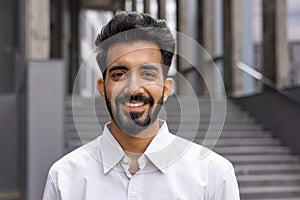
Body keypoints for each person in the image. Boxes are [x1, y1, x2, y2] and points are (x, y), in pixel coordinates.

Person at [43, 11, 240, 199]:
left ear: (166, 88)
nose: (134, 88)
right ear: (102, 88)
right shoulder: (64, 178)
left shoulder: (214, 175)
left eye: (148, 74)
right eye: (119, 75)